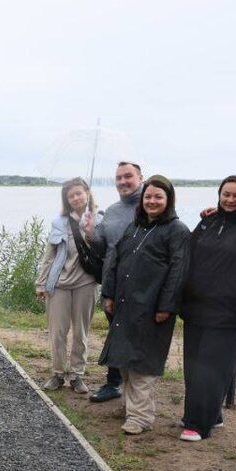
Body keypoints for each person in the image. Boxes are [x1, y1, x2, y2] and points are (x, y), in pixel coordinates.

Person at [99, 175, 190, 435]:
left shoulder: (177, 231)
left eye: (158, 197)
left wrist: (166, 306)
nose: (152, 201)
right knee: (124, 360)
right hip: (126, 305)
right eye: (148, 196)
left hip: (153, 308)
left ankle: (141, 417)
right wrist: (109, 294)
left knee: (142, 364)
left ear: (168, 200)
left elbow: (178, 272)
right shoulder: (135, 227)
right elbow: (115, 261)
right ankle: (131, 406)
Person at [178, 176, 236, 442]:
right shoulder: (208, 221)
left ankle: (198, 424)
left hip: (229, 309)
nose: (230, 200)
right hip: (197, 306)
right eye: (226, 194)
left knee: (212, 367)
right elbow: (189, 254)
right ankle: (211, 415)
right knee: (192, 365)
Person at [34, 177, 102, 394]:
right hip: (60, 284)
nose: (75, 198)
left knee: (81, 331)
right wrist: (41, 283)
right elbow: (49, 256)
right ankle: (57, 373)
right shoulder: (59, 223)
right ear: (66, 199)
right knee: (58, 332)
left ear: (87, 193)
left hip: (87, 283)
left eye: (79, 193)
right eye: (70, 195)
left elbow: (105, 252)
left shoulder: (100, 220)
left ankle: (77, 375)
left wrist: (92, 232)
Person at [88, 161, 144, 403]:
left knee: (137, 335)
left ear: (141, 177)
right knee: (115, 333)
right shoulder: (111, 211)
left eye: (128, 176)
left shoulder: (151, 205)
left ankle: (138, 388)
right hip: (112, 282)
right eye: (119, 178)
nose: (123, 181)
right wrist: (91, 232)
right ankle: (114, 382)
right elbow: (103, 246)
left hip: (140, 284)